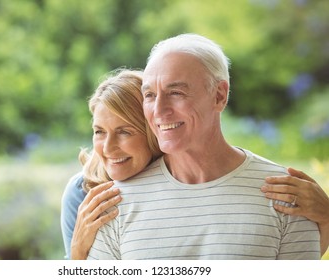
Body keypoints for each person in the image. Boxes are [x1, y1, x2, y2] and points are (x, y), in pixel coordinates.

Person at [86, 33, 322, 259]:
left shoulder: (286, 194)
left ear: (219, 96)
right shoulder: (115, 202)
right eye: (149, 95)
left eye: (176, 92)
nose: (158, 111)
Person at [60, 69, 162, 259]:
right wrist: (77, 251)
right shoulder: (80, 192)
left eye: (124, 132)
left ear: (152, 132)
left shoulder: (180, 178)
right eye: (100, 132)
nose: (107, 148)